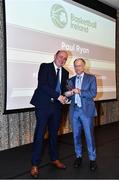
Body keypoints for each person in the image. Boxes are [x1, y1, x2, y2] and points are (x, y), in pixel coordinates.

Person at [30, 50, 69, 178]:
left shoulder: (66, 73)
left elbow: (64, 90)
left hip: (57, 107)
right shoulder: (45, 67)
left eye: (65, 58)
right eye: (60, 57)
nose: (62, 60)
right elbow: (43, 85)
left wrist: (67, 96)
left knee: (54, 134)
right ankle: (35, 164)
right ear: (55, 56)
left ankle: (54, 158)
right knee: (40, 134)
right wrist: (58, 96)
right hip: (43, 105)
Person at [65, 58, 97, 171]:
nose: (77, 68)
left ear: (84, 66)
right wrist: (67, 95)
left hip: (86, 111)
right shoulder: (70, 80)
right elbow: (69, 96)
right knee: (76, 136)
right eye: (76, 66)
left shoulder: (91, 78)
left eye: (79, 65)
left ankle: (92, 159)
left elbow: (93, 93)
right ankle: (78, 156)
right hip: (74, 111)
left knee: (89, 136)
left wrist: (80, 91)